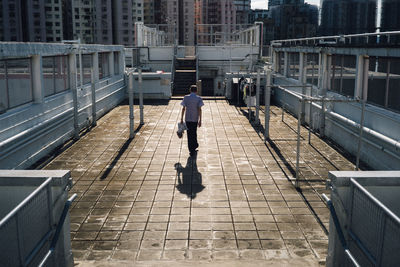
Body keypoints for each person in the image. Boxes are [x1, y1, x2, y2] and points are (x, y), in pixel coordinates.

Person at [180, 85, 204, 156]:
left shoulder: (186, 97)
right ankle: (195, 145)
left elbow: (183, 108)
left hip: (188, 118)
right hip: (195, 118)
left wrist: (181, 118)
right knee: (194, 132)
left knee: (189, 134)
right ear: (196, 91)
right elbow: (200, 109)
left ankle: (191, 148)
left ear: (190, 90)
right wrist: (200, 120)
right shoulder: (199, 98)